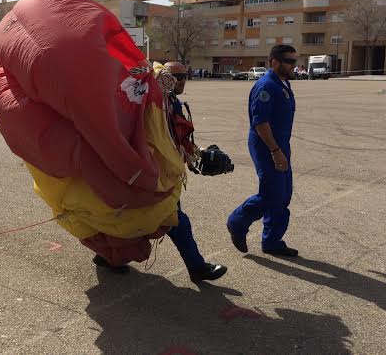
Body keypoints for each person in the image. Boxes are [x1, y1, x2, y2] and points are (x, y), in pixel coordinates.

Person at [94, 61, 228, 282]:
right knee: (174, 220)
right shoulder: (149, 102)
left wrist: (199, 155)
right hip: (150, 172)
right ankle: (197, 268)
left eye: (185, 75)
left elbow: (176, 137)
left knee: (140, 218)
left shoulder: (172, 103)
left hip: (164, 172)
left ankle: (106, 257)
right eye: (175, 76)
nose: (181, 80)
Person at [227, 45, 298, 257]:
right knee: (271, 194)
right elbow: (261, 124)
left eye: (295, 60)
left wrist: (281, 149)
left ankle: (271, 241)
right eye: (289, 60)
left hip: (280, 145)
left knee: (283, 195)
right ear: (274, 61)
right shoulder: (266, 86)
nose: (293, 65)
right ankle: (237, 222)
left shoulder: (282, 83)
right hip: (267, 145)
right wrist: (275, 151)